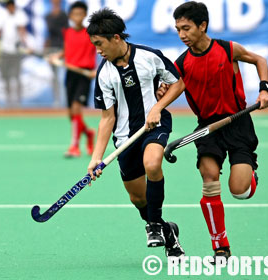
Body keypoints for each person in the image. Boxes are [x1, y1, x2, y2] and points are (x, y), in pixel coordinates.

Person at [158, 1, 268, 260]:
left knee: (239, 190)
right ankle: (221, 246)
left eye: (186, 28)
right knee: (209, 177)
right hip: (207, 128)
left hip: (238, 122)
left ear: (202, 25)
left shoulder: (226, 49)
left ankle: (249, 177)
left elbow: (259, 59)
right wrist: (162, 92)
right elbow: (171, 88)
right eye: (177, 29)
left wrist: (264, 88)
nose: (182, 35)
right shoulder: (182, 63)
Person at [86, 8, 186, 257]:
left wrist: (158, 108)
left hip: (155, 125)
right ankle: (166, 230)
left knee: (152, 164)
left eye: (100, 44)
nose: (98, 50)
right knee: (138, 200)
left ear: (116, 38)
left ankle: (153, 226)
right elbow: (107, 118)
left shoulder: (149, 57)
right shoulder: (105, 73)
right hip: (124, 137)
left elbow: (178, 82)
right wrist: (96, 157)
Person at [49, 1, 96, 157]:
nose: (77, 17)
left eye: (80, 13)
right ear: (70, 16)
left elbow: (101, 49)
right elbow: (67, 50)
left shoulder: (90, 33)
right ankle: (88, 133)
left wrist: (97, 70)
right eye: (74, 14)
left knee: (77, 108)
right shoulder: (67, 32)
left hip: (85, 74)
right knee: (71, 114)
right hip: (71, 74)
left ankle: (74, 147)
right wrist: (57, 56)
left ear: (84, 15)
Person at [0, 0, 29, 106]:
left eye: (13, 6)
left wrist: (26, 44)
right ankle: (8, 101)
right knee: (6, 77)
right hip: (5, 51)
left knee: (17, 77)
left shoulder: (20, 16)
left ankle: (19, 101)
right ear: (7, 7)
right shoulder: (2, 17)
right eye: (9, 7)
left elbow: (23, 31)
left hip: (16, 52)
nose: (11, 8)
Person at [44, 0, 68, 107]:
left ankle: (66, 101)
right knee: (54, 77)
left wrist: (66, 48)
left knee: (63, 76)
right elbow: (48, 34)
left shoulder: (64, 15)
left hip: (62, 49)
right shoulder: (48, 16)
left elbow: (66, 32)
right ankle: (57, 101)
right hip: (52, 48)